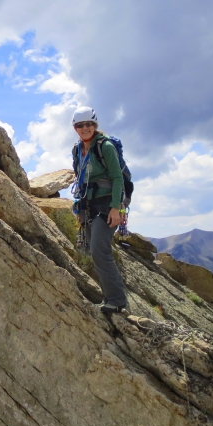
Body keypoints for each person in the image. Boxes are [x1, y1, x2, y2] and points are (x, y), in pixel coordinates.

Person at [71, 106, 129, 314]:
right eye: (80, 125)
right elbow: (80, 179)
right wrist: (79, 206)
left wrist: (116, 208)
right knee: (93, 251)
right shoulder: (77, 150)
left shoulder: (105, 147)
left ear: (95, 125)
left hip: (108, 204)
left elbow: (117, 177)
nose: (85, 128)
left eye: (89, 124)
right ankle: (109, 298)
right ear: (75, 128)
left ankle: (116, 300)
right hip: (88, 204)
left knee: (99, 250)